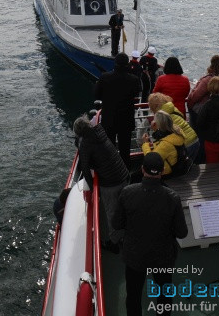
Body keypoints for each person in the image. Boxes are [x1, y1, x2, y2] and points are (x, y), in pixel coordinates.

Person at [112, 151, 188, 316]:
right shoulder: (173, 197)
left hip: (134, 256)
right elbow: (182, 233)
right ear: (162, 172)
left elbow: (116, 224)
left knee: (133, 295)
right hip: (163, 257)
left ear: (142, 169)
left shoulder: (127, 192)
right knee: (164, 295)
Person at [73, 115, 129, 251]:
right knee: (125, 207)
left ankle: (114, 243)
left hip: (110, 183)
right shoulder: (99, 130)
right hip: (123, 174)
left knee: (112, 212)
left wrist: (93, 189)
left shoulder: (86, 144)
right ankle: (129, 234)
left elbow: (85, 168)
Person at [93, 53, 141, 165]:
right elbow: (136, 93)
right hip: (126, 119)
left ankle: (113, 170)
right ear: (127, 64)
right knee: (125, 149)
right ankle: (126, 170)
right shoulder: (133, 79)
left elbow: (97, 95)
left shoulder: (105, 77)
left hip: (109, 118)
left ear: (115, 63)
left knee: (109, 148)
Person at [147, 93, 199, 162]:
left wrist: (156, 130)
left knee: (185, 167)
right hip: (194, 140)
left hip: (186, 143)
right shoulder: (172, 108)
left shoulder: (162, 116)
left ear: (154, 106)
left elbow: (164, 136)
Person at [140, 111, 188, 177]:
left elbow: (151, 159)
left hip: (166, 172)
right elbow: (163, 135)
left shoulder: (165, 144)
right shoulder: (176, 132)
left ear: (158, 124)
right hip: (177, 165)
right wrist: (156, 130)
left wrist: (145, 143)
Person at [187, 54, 219, 122]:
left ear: (211, 65)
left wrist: (189, 105)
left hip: (206, 113)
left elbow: (195, 97)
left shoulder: (207, 80)